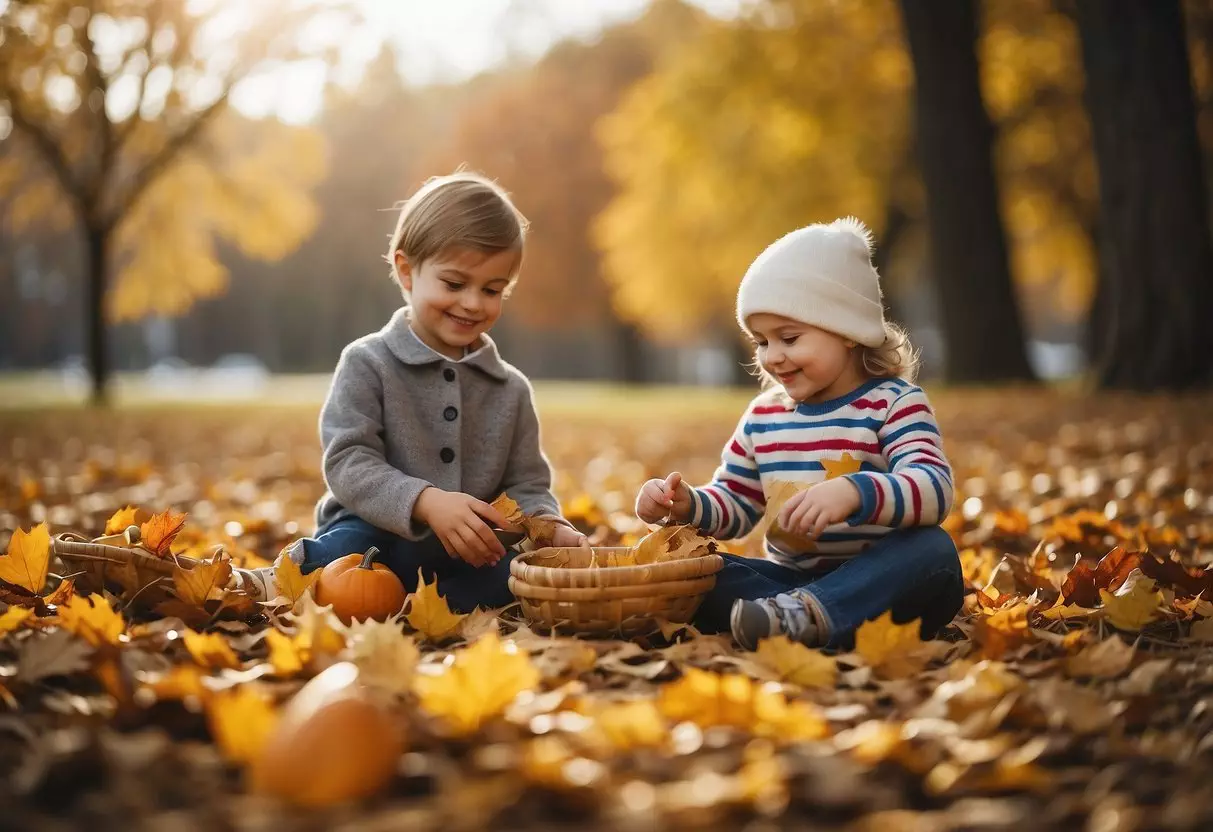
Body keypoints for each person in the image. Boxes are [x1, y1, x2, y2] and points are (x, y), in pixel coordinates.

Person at [235, 171, 585, 611]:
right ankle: (266, 586)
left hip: (466, 551)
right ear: (407, 271)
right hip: (373, 538)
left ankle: (426, 612)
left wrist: (548, 525)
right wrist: (424, 501)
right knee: (338, 556)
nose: (474, 302)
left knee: (512, 584)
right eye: (454, 284)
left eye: (492, 289)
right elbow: (349, 461)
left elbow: (527, 484)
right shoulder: (368, 363)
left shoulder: (509, 390)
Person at [635, 217, 963, 650]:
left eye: (789, 337)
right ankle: (794, 618)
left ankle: (811, 614)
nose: (773, 357)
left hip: (884, 581)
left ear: (848, 331)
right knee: (699, 570)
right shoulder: (764, 416)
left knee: (932, 552)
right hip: (788, 581)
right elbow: (735, 503)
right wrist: (687, 504)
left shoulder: (894, 404)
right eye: (761, 341)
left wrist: (854, 491)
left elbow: (934, 488)